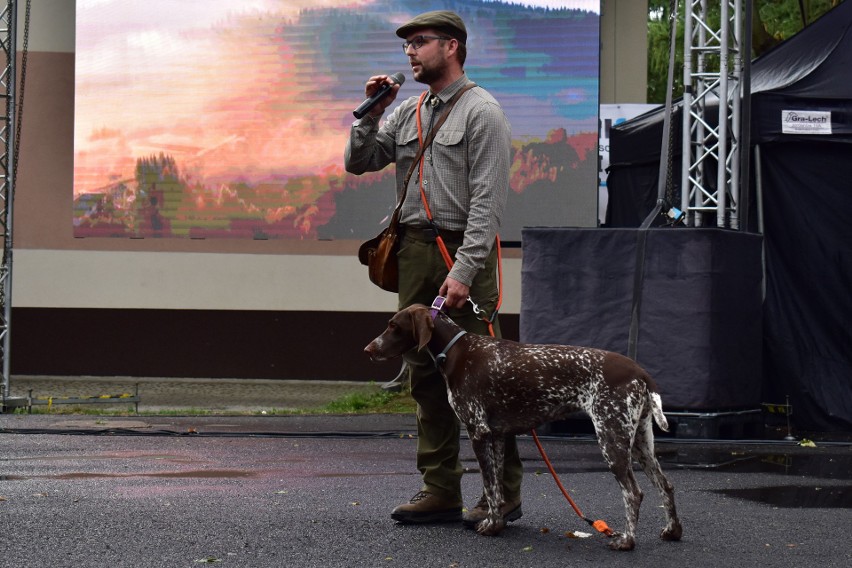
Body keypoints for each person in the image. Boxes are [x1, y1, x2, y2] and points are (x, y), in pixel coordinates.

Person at [344, 10, 523, 528]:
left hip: (461, 253)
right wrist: (372, 112)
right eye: (406, 45)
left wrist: (466, 270)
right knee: (424, 375)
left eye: (419, 43)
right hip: (415, 253)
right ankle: (441, 488)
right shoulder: (408, 111)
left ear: (451, 47)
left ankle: (502, 494)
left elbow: (488, 201)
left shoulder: (482, 110)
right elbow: (361, 162)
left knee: (486, 379)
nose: (409, 52)